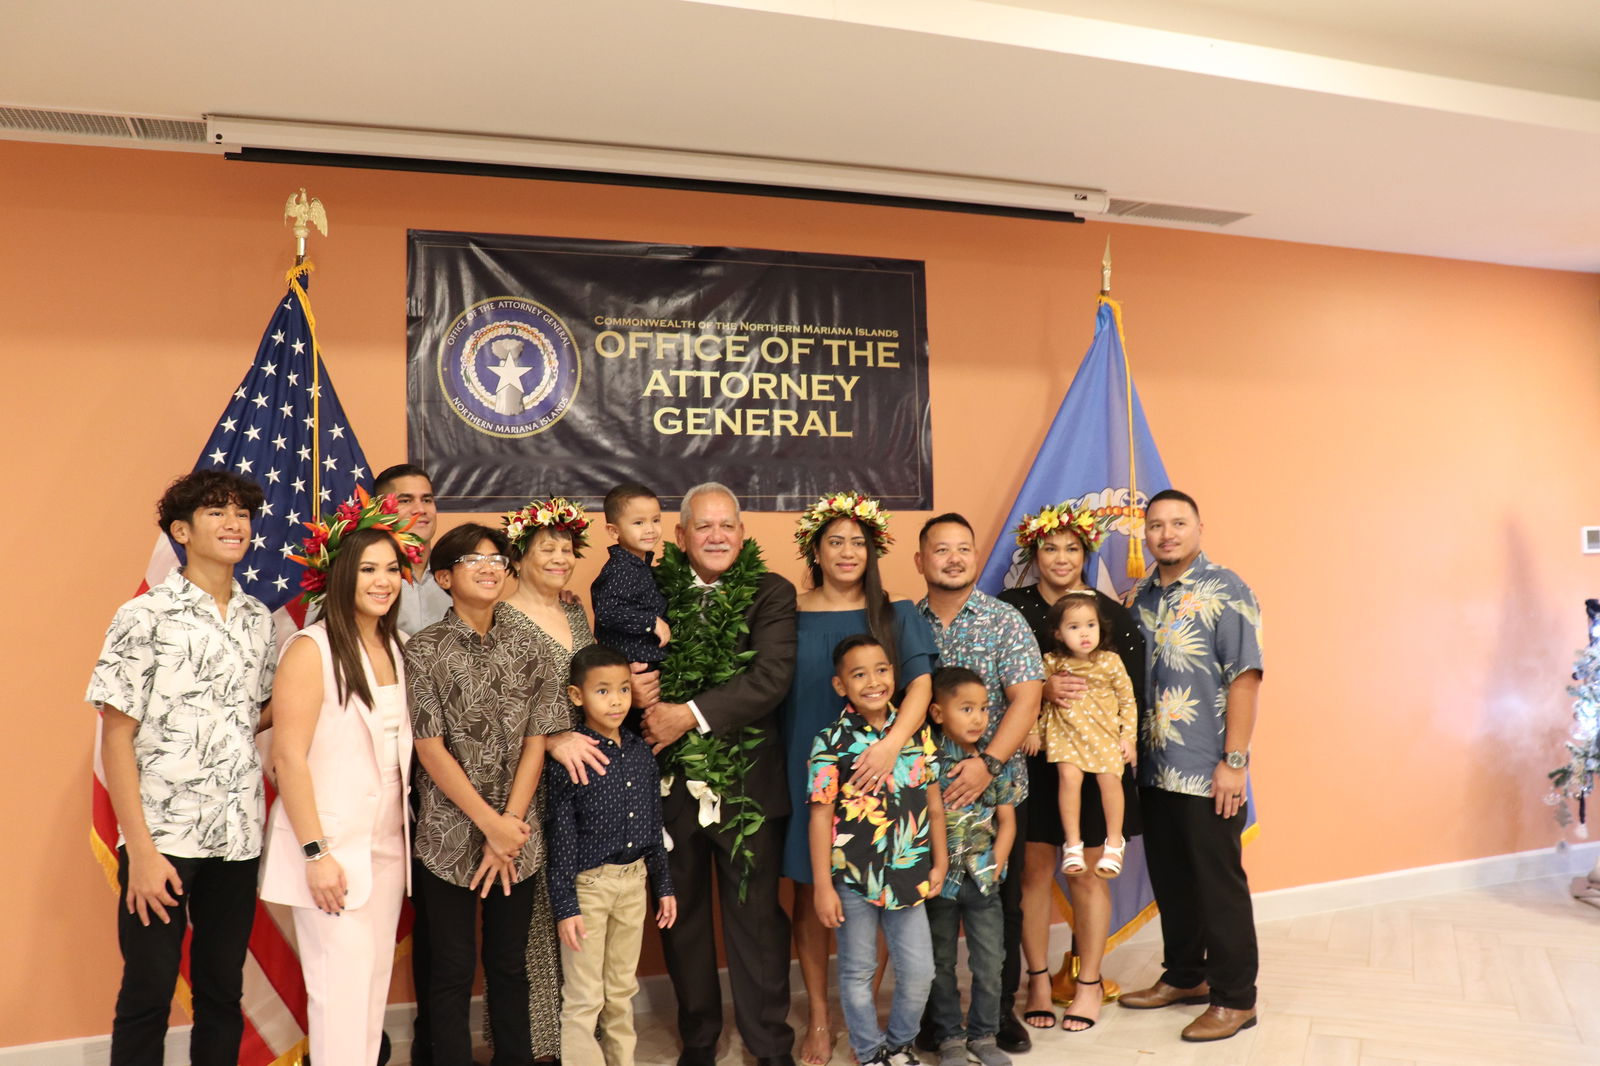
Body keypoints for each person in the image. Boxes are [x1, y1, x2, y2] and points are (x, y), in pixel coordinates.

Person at [87, 470, 276, 1066]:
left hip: (238, 834)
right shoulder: (143, 615)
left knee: (222, 990)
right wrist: (140, 851)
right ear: (181, 531)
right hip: (162, 837)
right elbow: (117, 737)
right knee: (148, 990)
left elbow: (253, 714)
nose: (234, 523)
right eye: (217, 512)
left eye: (242, 513)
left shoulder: (257, 619)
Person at [625, 482, 798, 1066]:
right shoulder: (649, 592)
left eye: (727, 526)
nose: (717, 536)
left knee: (757, 921)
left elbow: (770, 678)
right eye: (704, 526)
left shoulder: (772, 592)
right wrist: (634, 686)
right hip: (669, 785)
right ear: (681, 536)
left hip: (749, 785)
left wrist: (687, 715)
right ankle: (699, 1039)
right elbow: (622, 662)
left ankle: (768, 1043)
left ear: (743, 535)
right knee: (682, 918)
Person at [260, 500, 423, 1066]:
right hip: (331, 851)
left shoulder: (399, 647)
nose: (383, 581)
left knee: (370, 996)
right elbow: (289, 758)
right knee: (339, 1000)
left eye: (391, 569)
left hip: (387, 849)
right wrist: (316, 853)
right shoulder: (312, 648)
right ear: (341, 575)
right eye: (368, 569)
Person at [780, 491, 939, 1066]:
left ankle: (864, 1021)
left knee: (882, 884)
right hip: (809, 761)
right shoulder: (787, 610)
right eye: (835, 542)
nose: (847, 552)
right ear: (815, 550)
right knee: (812, 888)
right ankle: (821, 1020)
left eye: (858, 542)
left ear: (873, 552)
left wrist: (889, 748)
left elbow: (921, 685)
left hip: (883, 765)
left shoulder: (896, 615)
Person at [405, 523, 562, 1066]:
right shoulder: (423, 650)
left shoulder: (532, 646)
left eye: (497, 559)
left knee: (509, 964)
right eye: (474, 560)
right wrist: (488, 824)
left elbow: (537, 741)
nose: (490, 568)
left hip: (518, 834)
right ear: (444, 577)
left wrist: (508, 824)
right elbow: (430, 749)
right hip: (448, 835)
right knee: (450, 967)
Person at [1119, 489, 1263, 1042]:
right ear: (1146, 534)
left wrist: (1234, 762)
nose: (1167, 534)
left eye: (1178, 523)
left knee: (1217, 885)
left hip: (1207, 768)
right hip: (1154, 765)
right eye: (1156, 525)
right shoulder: (1139, 597)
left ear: (1199, 527)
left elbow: (1244, 678)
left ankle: (1236, 998)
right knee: (1173, 878)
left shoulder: (1227, 590)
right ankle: (1185, 975)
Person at [998, 502, 1145, 1033]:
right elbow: (991, 684)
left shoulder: (1110, 613)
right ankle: (1038, 980)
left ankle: (1088, 983)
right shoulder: (1011, 609)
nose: (1061, 558)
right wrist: (1041, 693)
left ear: (1086, 553)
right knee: (1034, 873)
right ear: (1033, 554)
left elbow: (1132, 689)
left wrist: (1123, 742)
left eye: (1071, 548)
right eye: (1049, 548)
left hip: (1098, 759)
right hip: (1036, 759)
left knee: (1087, 873)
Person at [913, 513, 1044, 1054]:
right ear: (921, 561)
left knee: (1000, 908)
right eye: (941, 549)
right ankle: (936, 1019)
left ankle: (998, 1015)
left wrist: (987, 762)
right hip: (926, 792)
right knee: (930, 913)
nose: (954, 558)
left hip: (997, 789)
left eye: (963, 548)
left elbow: (1027, 698)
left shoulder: (1004, 619)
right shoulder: (905, 623)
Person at [808, 635, 945, 1066]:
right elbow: (820, 817)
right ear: (840, 685)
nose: (873, 681)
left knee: (920, 971)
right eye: (859, 674)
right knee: (856, 971)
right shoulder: (830, 741)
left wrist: (940, 862)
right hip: (852, 878)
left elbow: (934, 806)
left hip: (909, 873)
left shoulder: (917, 735)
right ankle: (870, 1053)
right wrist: (822, 887)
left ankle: (900, 1045)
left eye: (881, 670)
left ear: (894, 674)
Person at [547, 644, 678, 1066]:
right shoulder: (572, 757)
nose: (617, 700)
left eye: (623, 689)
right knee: (584, 996)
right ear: (576, 695)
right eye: (602, 691)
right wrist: (566, 905)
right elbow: (561, 837)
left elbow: (653, 827)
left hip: (633, 884)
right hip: (589, 887)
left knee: (622, 991)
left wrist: (664, 886)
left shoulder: (640, 753)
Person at [500, 495, 597, 1060]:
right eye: (547, 548)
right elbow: (495, 711)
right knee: (536, 912)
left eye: (567, 548)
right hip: (527, 780)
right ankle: (539, 1044)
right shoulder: (502, 617)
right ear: (520, 555)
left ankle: (583, 1038)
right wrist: (553, 739)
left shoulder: (576, 613)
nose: (560, 558)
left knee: (582, 903)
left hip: (582, 784)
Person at [925, 667, 1020, 1066]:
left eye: (983, 708)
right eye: (966, 708)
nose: (979, 718)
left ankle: (984, 1035)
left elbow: (1007, 820)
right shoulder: (928, 761)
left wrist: (997, 862)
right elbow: (928, 817)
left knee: (989, 962)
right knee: (940, 963)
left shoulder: (994, 765)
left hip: (983, 882)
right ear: (937, 713)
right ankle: (949, 1037)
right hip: (940, 882)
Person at [1033, 592, 1136, 879]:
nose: (1084, 633)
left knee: (1110, 780)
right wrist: (1031, 732)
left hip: (1104, 734)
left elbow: (1128, 701)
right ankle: (1073, 843)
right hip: (1065, 732)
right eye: (1074, 627)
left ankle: (1114, 842)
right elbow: (1032, 698)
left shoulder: (1110, 661)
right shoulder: (1052, 662)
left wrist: (1128, 737)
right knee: (1069, 778)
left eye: (1091, 625)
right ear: (1058, 633)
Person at [590, 482, 672, 666]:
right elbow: (607, 611)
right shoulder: (621, 569)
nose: (650, 529)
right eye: (638, 523)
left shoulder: (639, 566)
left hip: (650, 658)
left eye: (655, 520)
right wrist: (651, 622)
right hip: (633, 663)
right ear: (614, 531)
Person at [373, 463, 452, 637]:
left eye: (427, 500)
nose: (420, 510)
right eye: (405, 501)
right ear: (379, 511)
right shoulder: (362, 578)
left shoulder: (458, 574)